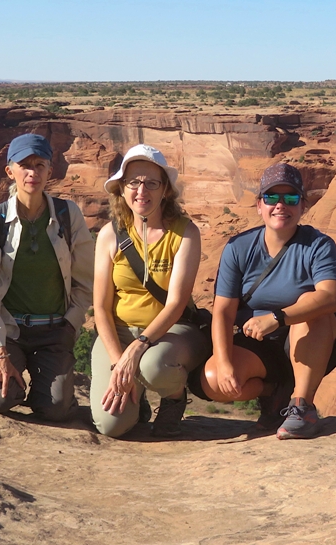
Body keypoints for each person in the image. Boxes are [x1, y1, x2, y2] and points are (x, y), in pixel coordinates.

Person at [191, 163, 336, 439]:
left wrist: (276, 318)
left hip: (310, 340)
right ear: (259, 205)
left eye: (291, 198)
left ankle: (301, 406)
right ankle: (275, 392)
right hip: (258, 346)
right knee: (213, 382)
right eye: (272, 198)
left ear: (303, 206)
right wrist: (224, 362)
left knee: (315, 305)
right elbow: (224, 312)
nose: (281, 205)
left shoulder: (318, 245)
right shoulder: (238, 247)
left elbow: (332, 296)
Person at [0, 133, 94, 421]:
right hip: (8, 331)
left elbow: (85, 281)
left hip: (53, 332)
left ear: (50, 171)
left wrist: (69, 326)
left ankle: (49, 390)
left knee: (55, 409)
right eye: (24, 165)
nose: (32, 173)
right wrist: (0, 354)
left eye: (40, 165)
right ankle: (13, 378)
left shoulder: (68, 214)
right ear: (9, 171)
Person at [91, 144, 209, 438]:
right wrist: (120, 362)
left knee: (153, 366)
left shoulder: (184, 233)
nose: (141, 190)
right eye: (134, 182)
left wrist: (138, 347)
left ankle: (173, 398)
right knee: (112, 425)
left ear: (165, 190)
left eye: (151, 183)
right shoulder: (110, 235)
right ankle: (138, 403)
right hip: (119, 332)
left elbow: (176, 303)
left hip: (173, 332)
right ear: (121, 188)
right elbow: (101, 308)